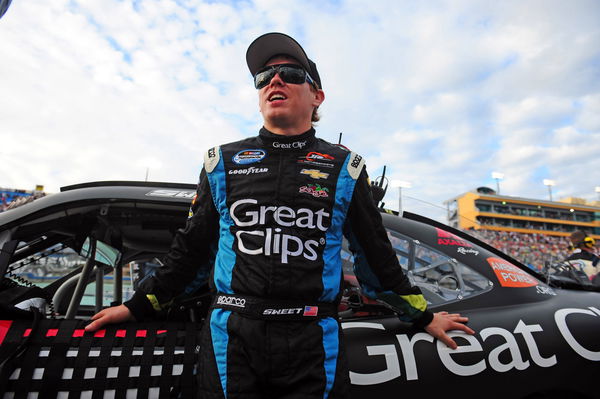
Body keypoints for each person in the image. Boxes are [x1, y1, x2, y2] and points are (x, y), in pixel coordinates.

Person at [85, 32, 474, 398]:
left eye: (290, 74)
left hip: (313, 338)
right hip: (232, 336)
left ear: (317, 96)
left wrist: (422, 317)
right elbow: (192, 252)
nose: (275, 81)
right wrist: (138, 306)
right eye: (264, 77)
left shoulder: (345, 166)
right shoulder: (222, 161)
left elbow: (375, 254)